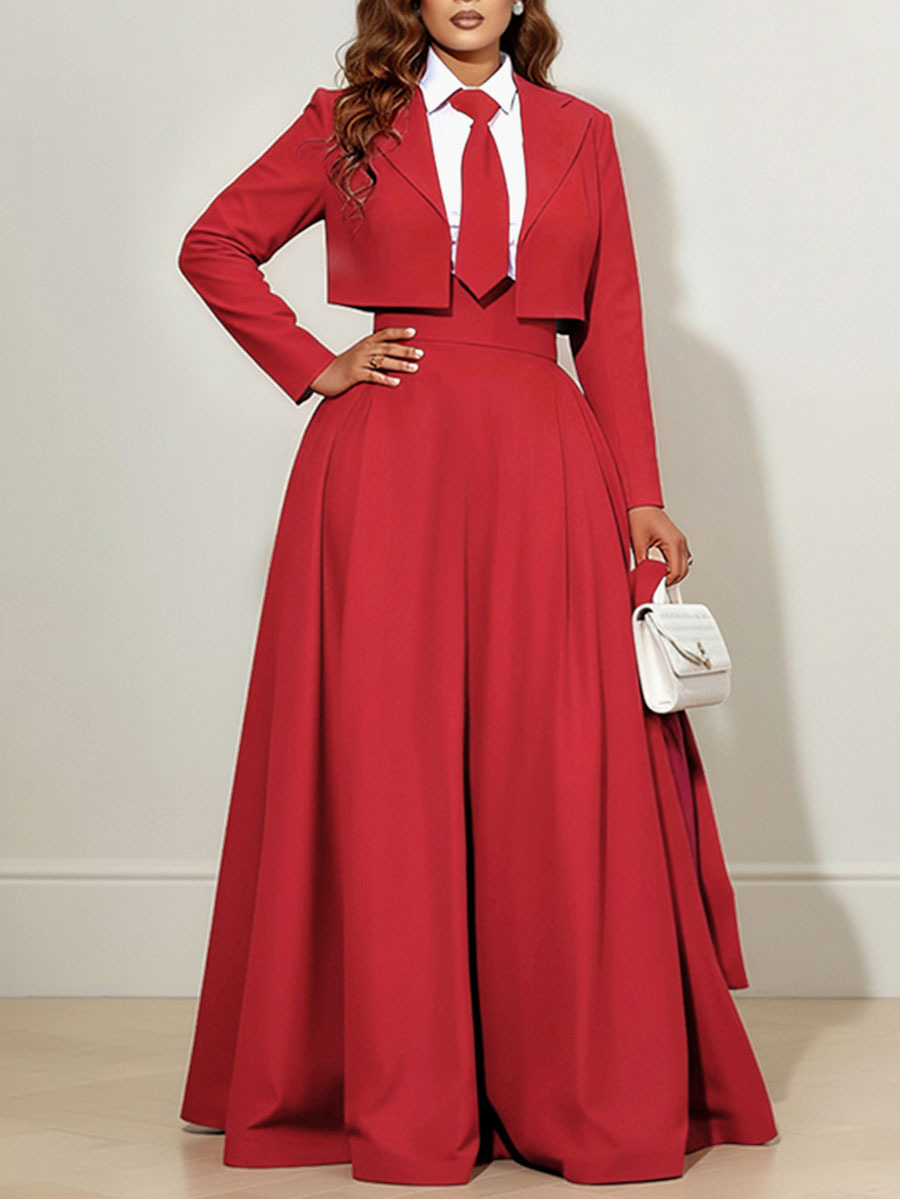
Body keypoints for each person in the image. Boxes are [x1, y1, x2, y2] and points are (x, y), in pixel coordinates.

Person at [176, 0, 778, 1185]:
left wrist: (642, 494)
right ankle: (397, 1082)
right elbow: (214, 245)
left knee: (547, 757)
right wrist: (315, 363)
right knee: (389, 755)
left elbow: (613, 322)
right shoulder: (348, 121)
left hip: (544, 459)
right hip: (387, 461)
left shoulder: (580, 132)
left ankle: (557, 1077)